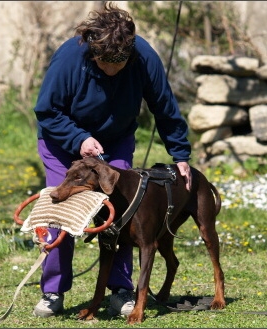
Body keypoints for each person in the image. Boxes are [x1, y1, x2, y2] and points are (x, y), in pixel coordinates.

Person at [32, 1, 192, 318]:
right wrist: (79, 139)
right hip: (62, 141)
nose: (111, 69)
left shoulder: (144, 57)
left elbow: (165, 107)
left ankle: (120, 289)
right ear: (93, 51)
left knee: (120, 211)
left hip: (115, 142)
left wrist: (181, 154)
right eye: (105, 62)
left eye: (118, 63)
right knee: (61, 211)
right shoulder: (69, 58)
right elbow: (47, 111)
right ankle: (53, 291)